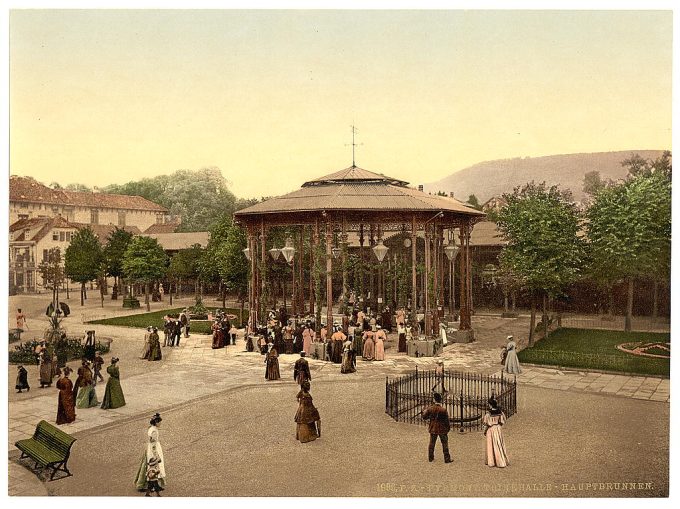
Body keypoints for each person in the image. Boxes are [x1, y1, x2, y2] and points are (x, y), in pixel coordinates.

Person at [135, 413, 167, 493]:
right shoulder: (154, 432)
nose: (160, 424)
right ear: (156, 422)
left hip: (150, 448)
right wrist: (156, 455)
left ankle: (155, 485)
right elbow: (153, 444)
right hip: (154, 449)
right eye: (159, 422)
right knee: (155, 467)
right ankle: (152, 486)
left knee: (151, 467)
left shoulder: (151, 428)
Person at [421, 392, 452, 463]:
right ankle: (447, 459)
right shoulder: (443, 410)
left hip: (433, 428)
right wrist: (447, 428)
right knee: (444, 444)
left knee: (432, 443)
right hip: (442, 429)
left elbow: (424, 417)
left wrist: (424, 412)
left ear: (434, 400)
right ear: (440, 400)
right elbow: (447, 421)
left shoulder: (430, 408)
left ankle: (430, 458)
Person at [482, 397, 509, 468]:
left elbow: (486, 424)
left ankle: (492, 461)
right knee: (499, 444)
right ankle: (501, 459)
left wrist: (485, 431)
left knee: (491, 444)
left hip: (491, 430)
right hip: (498, 429)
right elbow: (503, 421)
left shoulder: (488, 414)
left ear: (490, 405)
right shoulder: (500, 412)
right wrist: (498, 425)